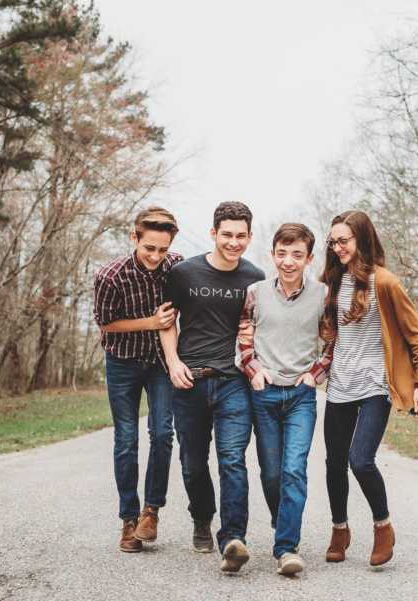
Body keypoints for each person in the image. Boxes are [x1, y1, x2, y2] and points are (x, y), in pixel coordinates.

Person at [320, 210, 418, 567]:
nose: (338, 247)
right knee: (334, 463)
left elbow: (416, 334)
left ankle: (383, 526)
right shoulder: (333, 283)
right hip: (340, 383)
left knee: (360, 459)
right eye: (333, 241)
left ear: (361, 239)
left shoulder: (385, 282)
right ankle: (340, 529)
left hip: (375, 383)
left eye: (344, 240)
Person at [158, 201, 265, 573]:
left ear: (250, 237)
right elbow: (166, 322)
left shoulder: (255, 277)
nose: (234, 242)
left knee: (233, 459)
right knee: (192, 464)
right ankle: (202, 517)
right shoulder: (185, 273)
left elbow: (259, 327)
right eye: (227, 235)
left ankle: (233, 538)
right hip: (189, 381)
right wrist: (173, 362)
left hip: (234, 382)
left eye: (241, 236)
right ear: (213, 233)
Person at [236, 223, 332, 576]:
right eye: (282, 253)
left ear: (308, 258)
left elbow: (332, 342)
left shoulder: (322, 295)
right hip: (264, 393)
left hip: (300, 397)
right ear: (273, 254)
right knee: (272, 473)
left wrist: (315, 375)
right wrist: (254, 370)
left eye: (296, 255)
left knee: (294, 469)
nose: (288, 261)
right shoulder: (256, 292)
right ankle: (284, 522)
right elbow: (244, 338)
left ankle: (286, 548)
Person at [93, 207, 182, 553]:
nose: (155, 257)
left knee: (162, 433)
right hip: (122, 362)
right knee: (127, 439)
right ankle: (128, 520)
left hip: (160, 362)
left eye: (162, 249)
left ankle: (151, 512)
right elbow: (105, 323)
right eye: (149, 249)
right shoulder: (110, 277)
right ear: (134, 238)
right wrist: (149, 322)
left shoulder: (175, 267)